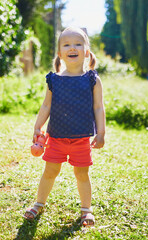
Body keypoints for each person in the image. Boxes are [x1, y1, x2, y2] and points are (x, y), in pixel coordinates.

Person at [23, 27, 106, 227]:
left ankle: (86, 210)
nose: (72, 47)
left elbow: (98, 107)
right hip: (56, 138)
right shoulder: (55, 79)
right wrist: (37, 125)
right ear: (60, 53)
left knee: (82, 174)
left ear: (86, 51)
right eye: (66, 44)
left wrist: (101, 133)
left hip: (81, 140)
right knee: (50, 171)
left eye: (78, 43)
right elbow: (46, 105)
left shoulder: (92, 79)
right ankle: (38, 203)